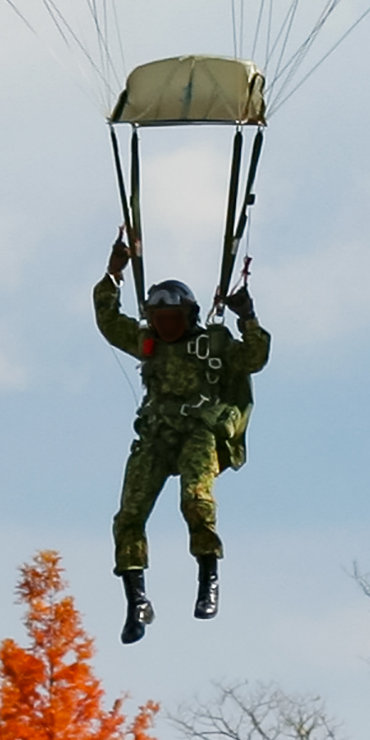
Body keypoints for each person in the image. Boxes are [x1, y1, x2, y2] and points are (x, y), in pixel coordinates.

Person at [93, 228, 270, 640]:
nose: (163, 324)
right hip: (156, 435)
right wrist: (114, 274)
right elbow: (108, 320)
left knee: (195, 500)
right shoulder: (147, 341)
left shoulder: (212, 342)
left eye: (170, 317)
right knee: (129, 515)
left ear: (188, 316)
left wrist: (247, 317)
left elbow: (254, 359)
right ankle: (137, 601)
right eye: (157, 317)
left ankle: (208, 576)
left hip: (197, 432)